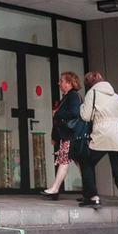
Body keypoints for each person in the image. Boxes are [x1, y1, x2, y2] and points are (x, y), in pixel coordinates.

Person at [79, 71, 118, 223]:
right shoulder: (117, 96)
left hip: (102, 133)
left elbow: (85, 116)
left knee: (86, 161)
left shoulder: (91, 93)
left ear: (89, 84)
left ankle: (93, 197)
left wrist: (83, 107)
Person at [40, 72, 82, 200]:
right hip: (72, 135)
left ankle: (55, 188)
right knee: (80, 163)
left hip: (70, 135)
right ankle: (91, 192)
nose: (59, 83)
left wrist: (57, 114)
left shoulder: (72, 96)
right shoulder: (68, 96)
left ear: (69, 83)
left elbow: (74, 112)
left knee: (64, 160)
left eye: (62, 81)